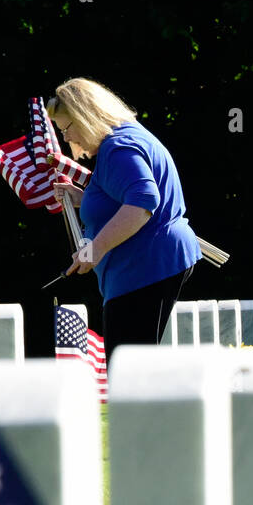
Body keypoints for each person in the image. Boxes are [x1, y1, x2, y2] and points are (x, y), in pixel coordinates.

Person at [47, 78, 202, 359]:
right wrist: (84, 199)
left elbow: (142, 203)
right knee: (135, 372)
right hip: (149, 265)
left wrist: (94, 250)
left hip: (144, 268)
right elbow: (124, 197)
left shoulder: (118, 148)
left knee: (129, 375)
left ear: (86, 116)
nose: (66, 138)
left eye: (66, 128)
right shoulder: (127, 137)